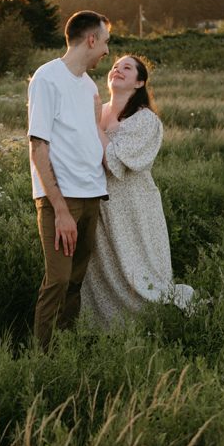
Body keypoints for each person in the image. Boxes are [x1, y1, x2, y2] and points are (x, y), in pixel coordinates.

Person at [80, 54, 194, 326]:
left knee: (137, 268)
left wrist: (94, 125)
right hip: (99, 203)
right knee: (103, 268)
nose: (117, 70)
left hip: (133, 206)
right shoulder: (99, 110)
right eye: (115, 66)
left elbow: (114, 160)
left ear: (139, 82)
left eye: (127, 68)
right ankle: (105, 327)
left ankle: (152, 320)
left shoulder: (145, 121)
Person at [27, 10, 112, 349]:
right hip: (61, 200)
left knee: (76, 281)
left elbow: (90, 136)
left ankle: (67, 346)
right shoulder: (47, 78)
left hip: (92, 195)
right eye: (105, 41)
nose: (106, 50)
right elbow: (38, 147)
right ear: (91, 39)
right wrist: (60, 209)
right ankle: (42, 356)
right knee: (58, 281)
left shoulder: (89, 85)